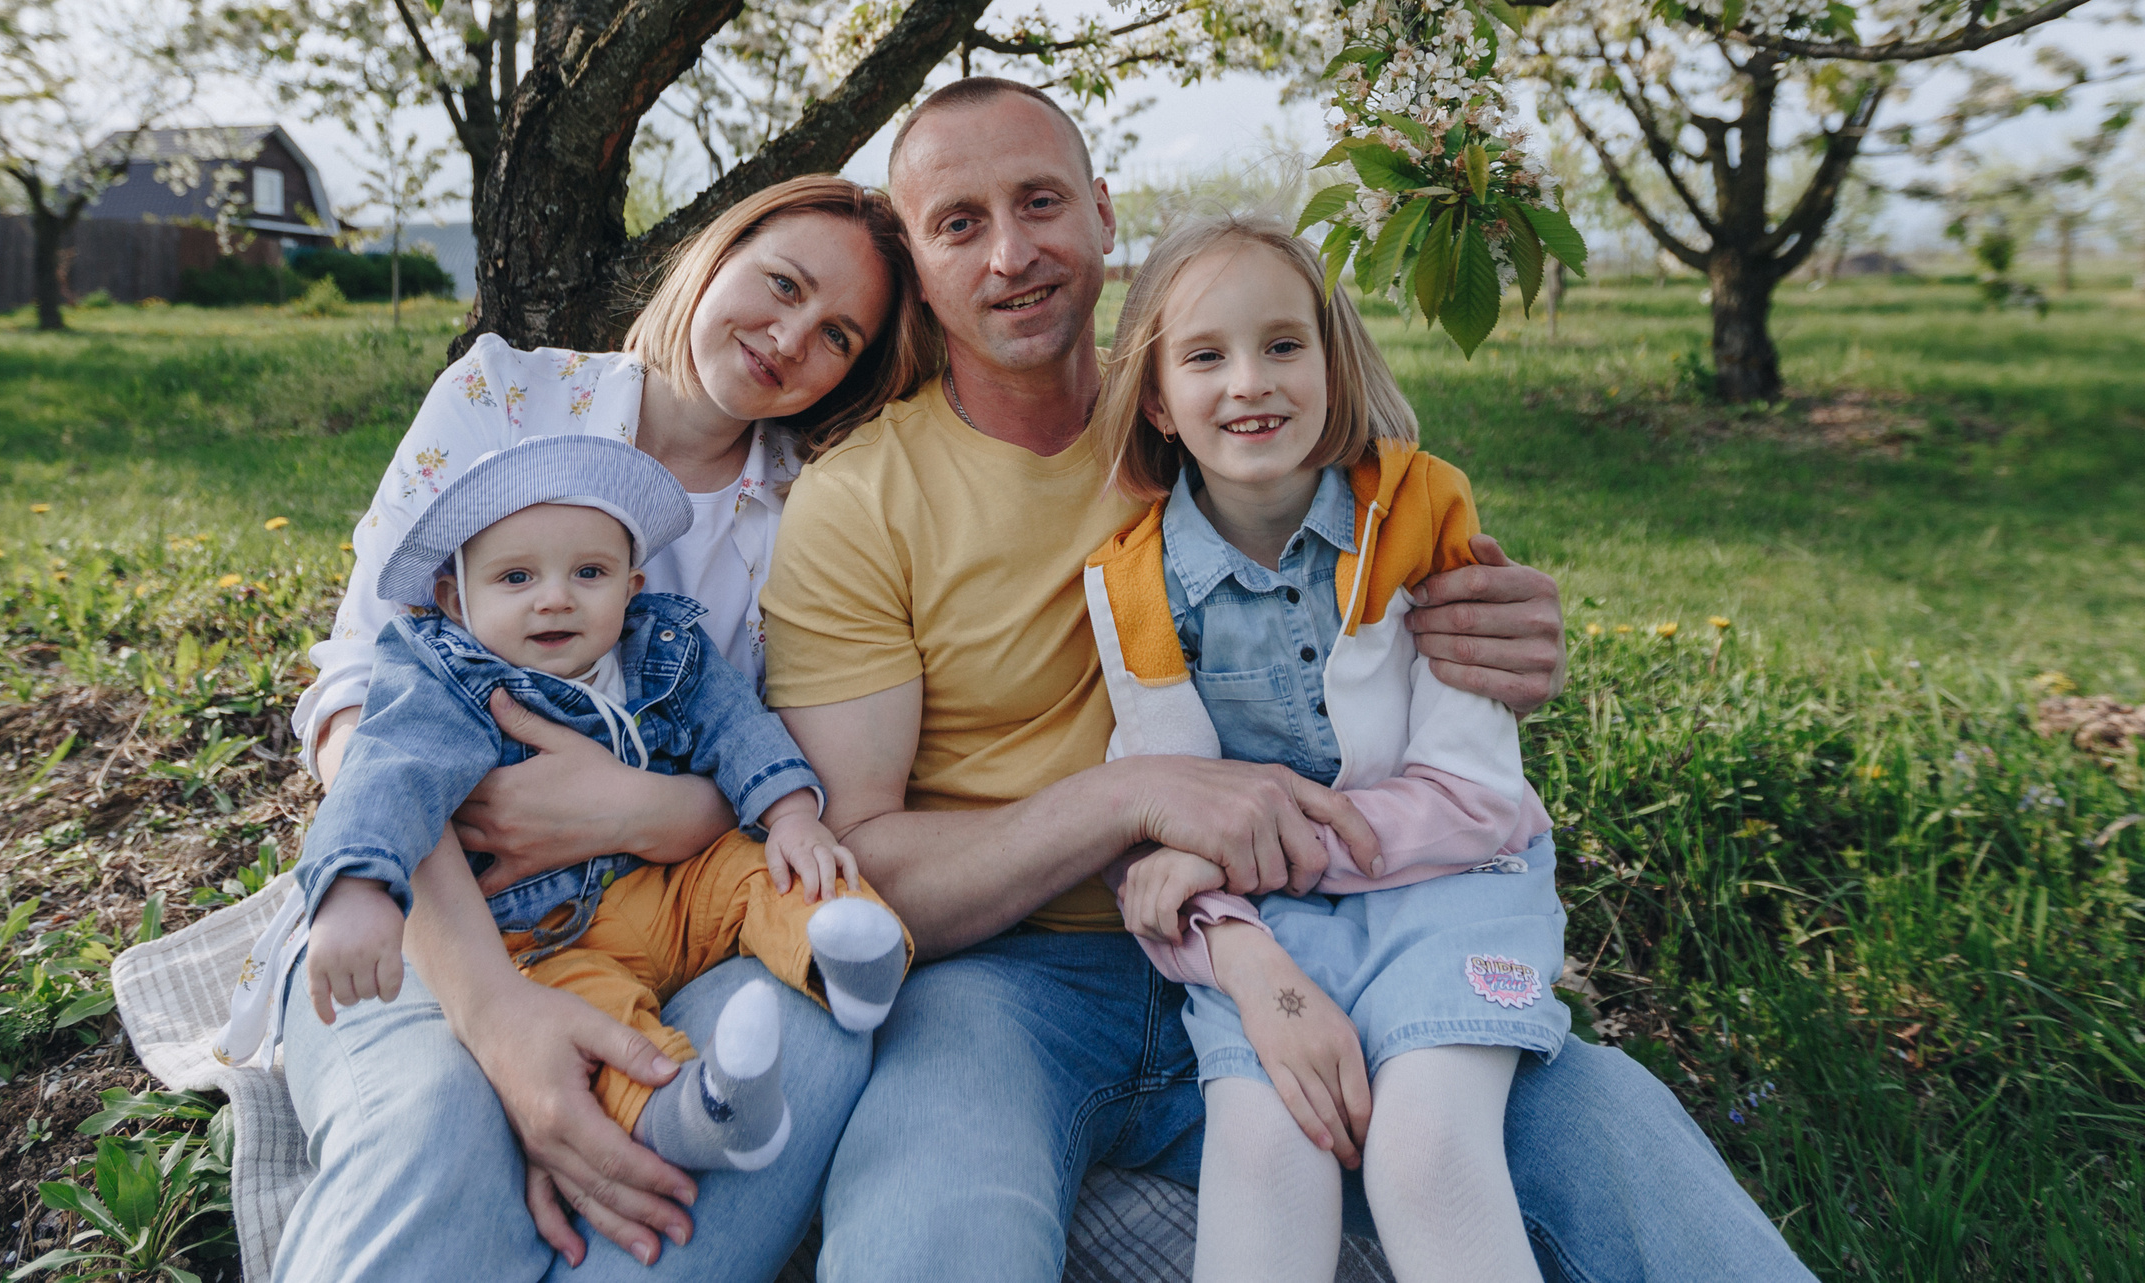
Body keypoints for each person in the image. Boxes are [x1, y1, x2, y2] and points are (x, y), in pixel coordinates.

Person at [762, 77, 1817, 1281]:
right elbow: (864, 868)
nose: (1010, 253)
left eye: (1039, 201)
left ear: (1102, 212)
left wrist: (1503, 636)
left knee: (1606, 1138)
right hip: (1017, 981)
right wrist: (1132, 800)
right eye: (959, 223)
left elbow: (1405, 601)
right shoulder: (863, 499)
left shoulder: (1227, 396)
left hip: (1338, 925)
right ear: (915, 258)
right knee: (929, 1218)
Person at [271, 174, 937, 1280]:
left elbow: (776, 756)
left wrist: (646, 810)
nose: (788, 338)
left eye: (837, 335)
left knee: (813, 1046)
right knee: (438, 1128)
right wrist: (498, 1019)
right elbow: (363, 708)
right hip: (437, 910)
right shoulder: (504, 399)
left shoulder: (815, 505)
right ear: (714, 254)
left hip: (665, 910)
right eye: (781, 285)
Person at [1081, 212, 1568, 1283]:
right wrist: (1212, 896)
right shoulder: (1133, 585)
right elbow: (1162, 845)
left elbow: (1478, 799)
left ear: (1333, 365)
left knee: (1426, 1152)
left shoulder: (1421, 512)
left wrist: (1244, 846)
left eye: (1282, 344)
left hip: (1452, 895)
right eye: (1205, 356)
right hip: (1273, 928)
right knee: (1264, 1154)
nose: (1250, 381)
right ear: (1156, 400)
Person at [291, 434, 910, 1179]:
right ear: (456, 599)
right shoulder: (448, 679)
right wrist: (355, 886)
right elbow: (389, 772)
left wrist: (792, 812)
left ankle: (845, 957)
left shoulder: (665, 647)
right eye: (516, 577)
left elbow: (737, 726)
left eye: (589, 572)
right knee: (588, 1014)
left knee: (765, 871)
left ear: (631, 586)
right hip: (550, 936)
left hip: (672, 887)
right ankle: (693, 1110)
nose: (556, 597)